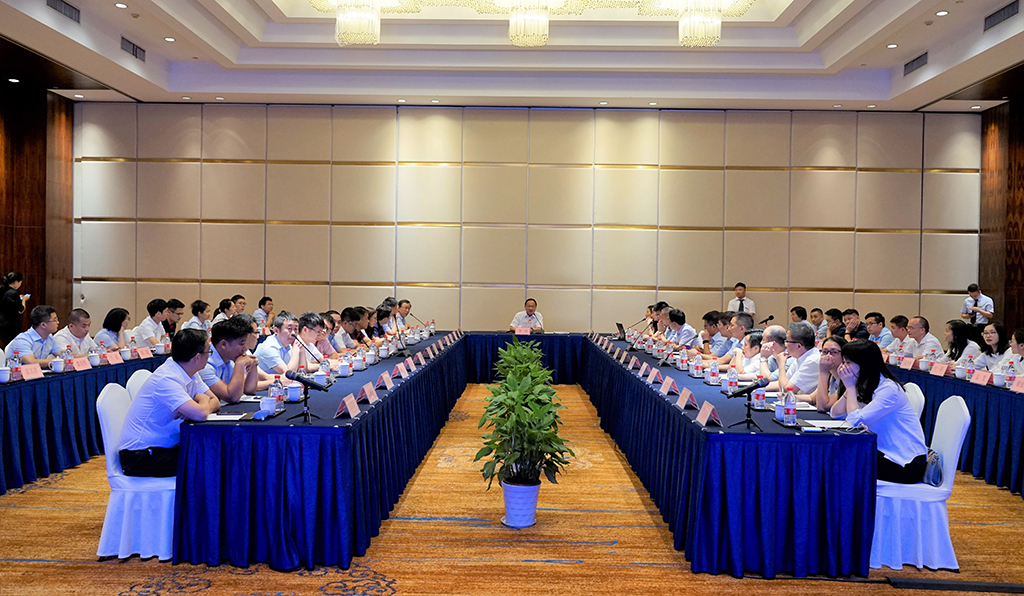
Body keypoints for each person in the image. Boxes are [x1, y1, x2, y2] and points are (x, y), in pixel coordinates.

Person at [117, 328, 220, 477]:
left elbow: (215, 401)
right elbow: (201, 414)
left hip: (162, 447)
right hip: (140, 456)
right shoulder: (167, 378)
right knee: (207, 459)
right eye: (208, 352)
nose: (209, 355)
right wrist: (202, 400)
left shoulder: (188, 370)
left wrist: (197, 406)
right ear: (197, 357)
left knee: (212, 451)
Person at [831, 340, 927, 484]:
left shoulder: (889, 389)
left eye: (848, 363)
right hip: (883, 452)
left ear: (864, 364)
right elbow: (836, 413)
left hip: (905, 462)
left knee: (842, 460)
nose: (843, 368)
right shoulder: (864, 383)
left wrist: (850, 387)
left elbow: (854, 422)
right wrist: (850, 388)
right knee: (838, 456)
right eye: (843, 362)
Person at [198, 317, 263, 403]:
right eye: (242, 344)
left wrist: (253, 365)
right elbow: (232, 397)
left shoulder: (228, 358)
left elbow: (249, 390)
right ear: (224, 344)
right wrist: (239, 365)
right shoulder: (204, 363)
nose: (245, 349)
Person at [766, 322, 820, 394]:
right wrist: (756, 387)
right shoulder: (800, 357)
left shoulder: (812, 361)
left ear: (798, 346)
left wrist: (781, 365)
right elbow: (783, 383)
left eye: (787, 341)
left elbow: (786, 389)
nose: (785, 345)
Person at [806, 335, 846, 410]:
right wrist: (789, 397)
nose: (828, 356)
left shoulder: (847, 378)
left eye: (834, 352)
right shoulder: (831, 376)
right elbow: (812, 398)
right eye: (825, 352)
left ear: (844, 356)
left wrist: (823, 372)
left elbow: (822, 407)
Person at [0, 271, 28, 347]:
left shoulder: (2, 290)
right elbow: (21, 310)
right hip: (12, 324)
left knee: (6, 345)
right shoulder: (13, 293)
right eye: (20, 283)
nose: (20, 285)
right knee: (13, 345)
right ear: (16, 282)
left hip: (2, 322)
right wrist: (24, 299)